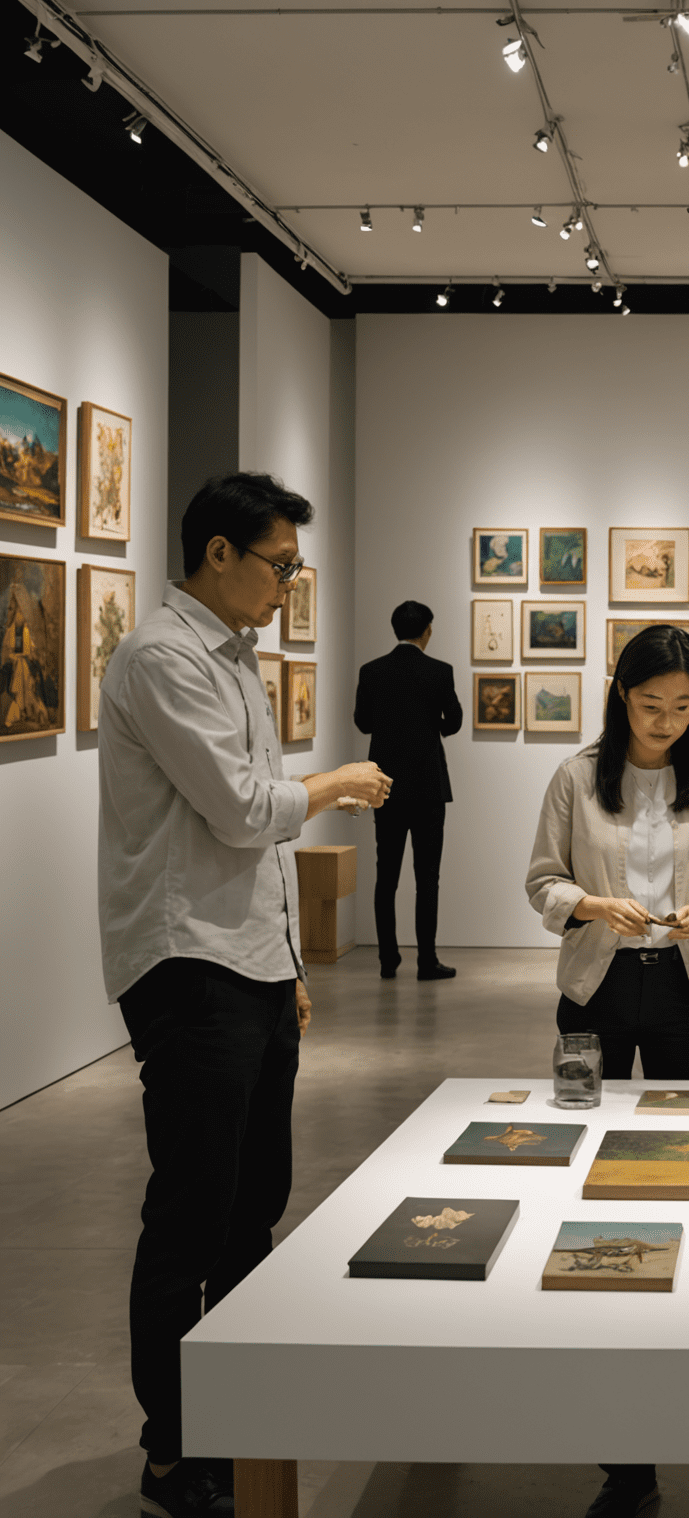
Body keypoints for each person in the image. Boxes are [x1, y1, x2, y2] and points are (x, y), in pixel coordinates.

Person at [97, 471, 392, 1518]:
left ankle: (230, 1421)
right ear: (218, 553)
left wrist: (291, 967)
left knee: (250, 1209)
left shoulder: (233, 658)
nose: (287, 585)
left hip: (249, 967)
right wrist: (336, 785)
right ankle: (172, 1454)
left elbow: (255, 846)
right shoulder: (162, 658)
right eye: (279, 565)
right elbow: (238, 811)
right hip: (188, 968)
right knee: (191, 1212)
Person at [525, 624, 689, 1518]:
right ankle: (620, 1439)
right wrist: (589, 903)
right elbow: (541, 881)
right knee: (596, 1178)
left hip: (686, 988)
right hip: (597, 988)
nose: (666, 721)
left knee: (681, 1168)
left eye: (683, 707)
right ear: (621, 697)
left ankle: (685, 1352)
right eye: (651, 705)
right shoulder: (578, 777)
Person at [353, 600, 463, 980]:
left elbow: (363, 723)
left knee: (387, 876)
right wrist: (431, 727)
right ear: (427, 631)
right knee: (426, 878)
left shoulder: (372, 671)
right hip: (429, 787)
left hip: (386, 786)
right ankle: (427, 961)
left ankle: (388, 960)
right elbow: (455, 721)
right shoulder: (440, 672)